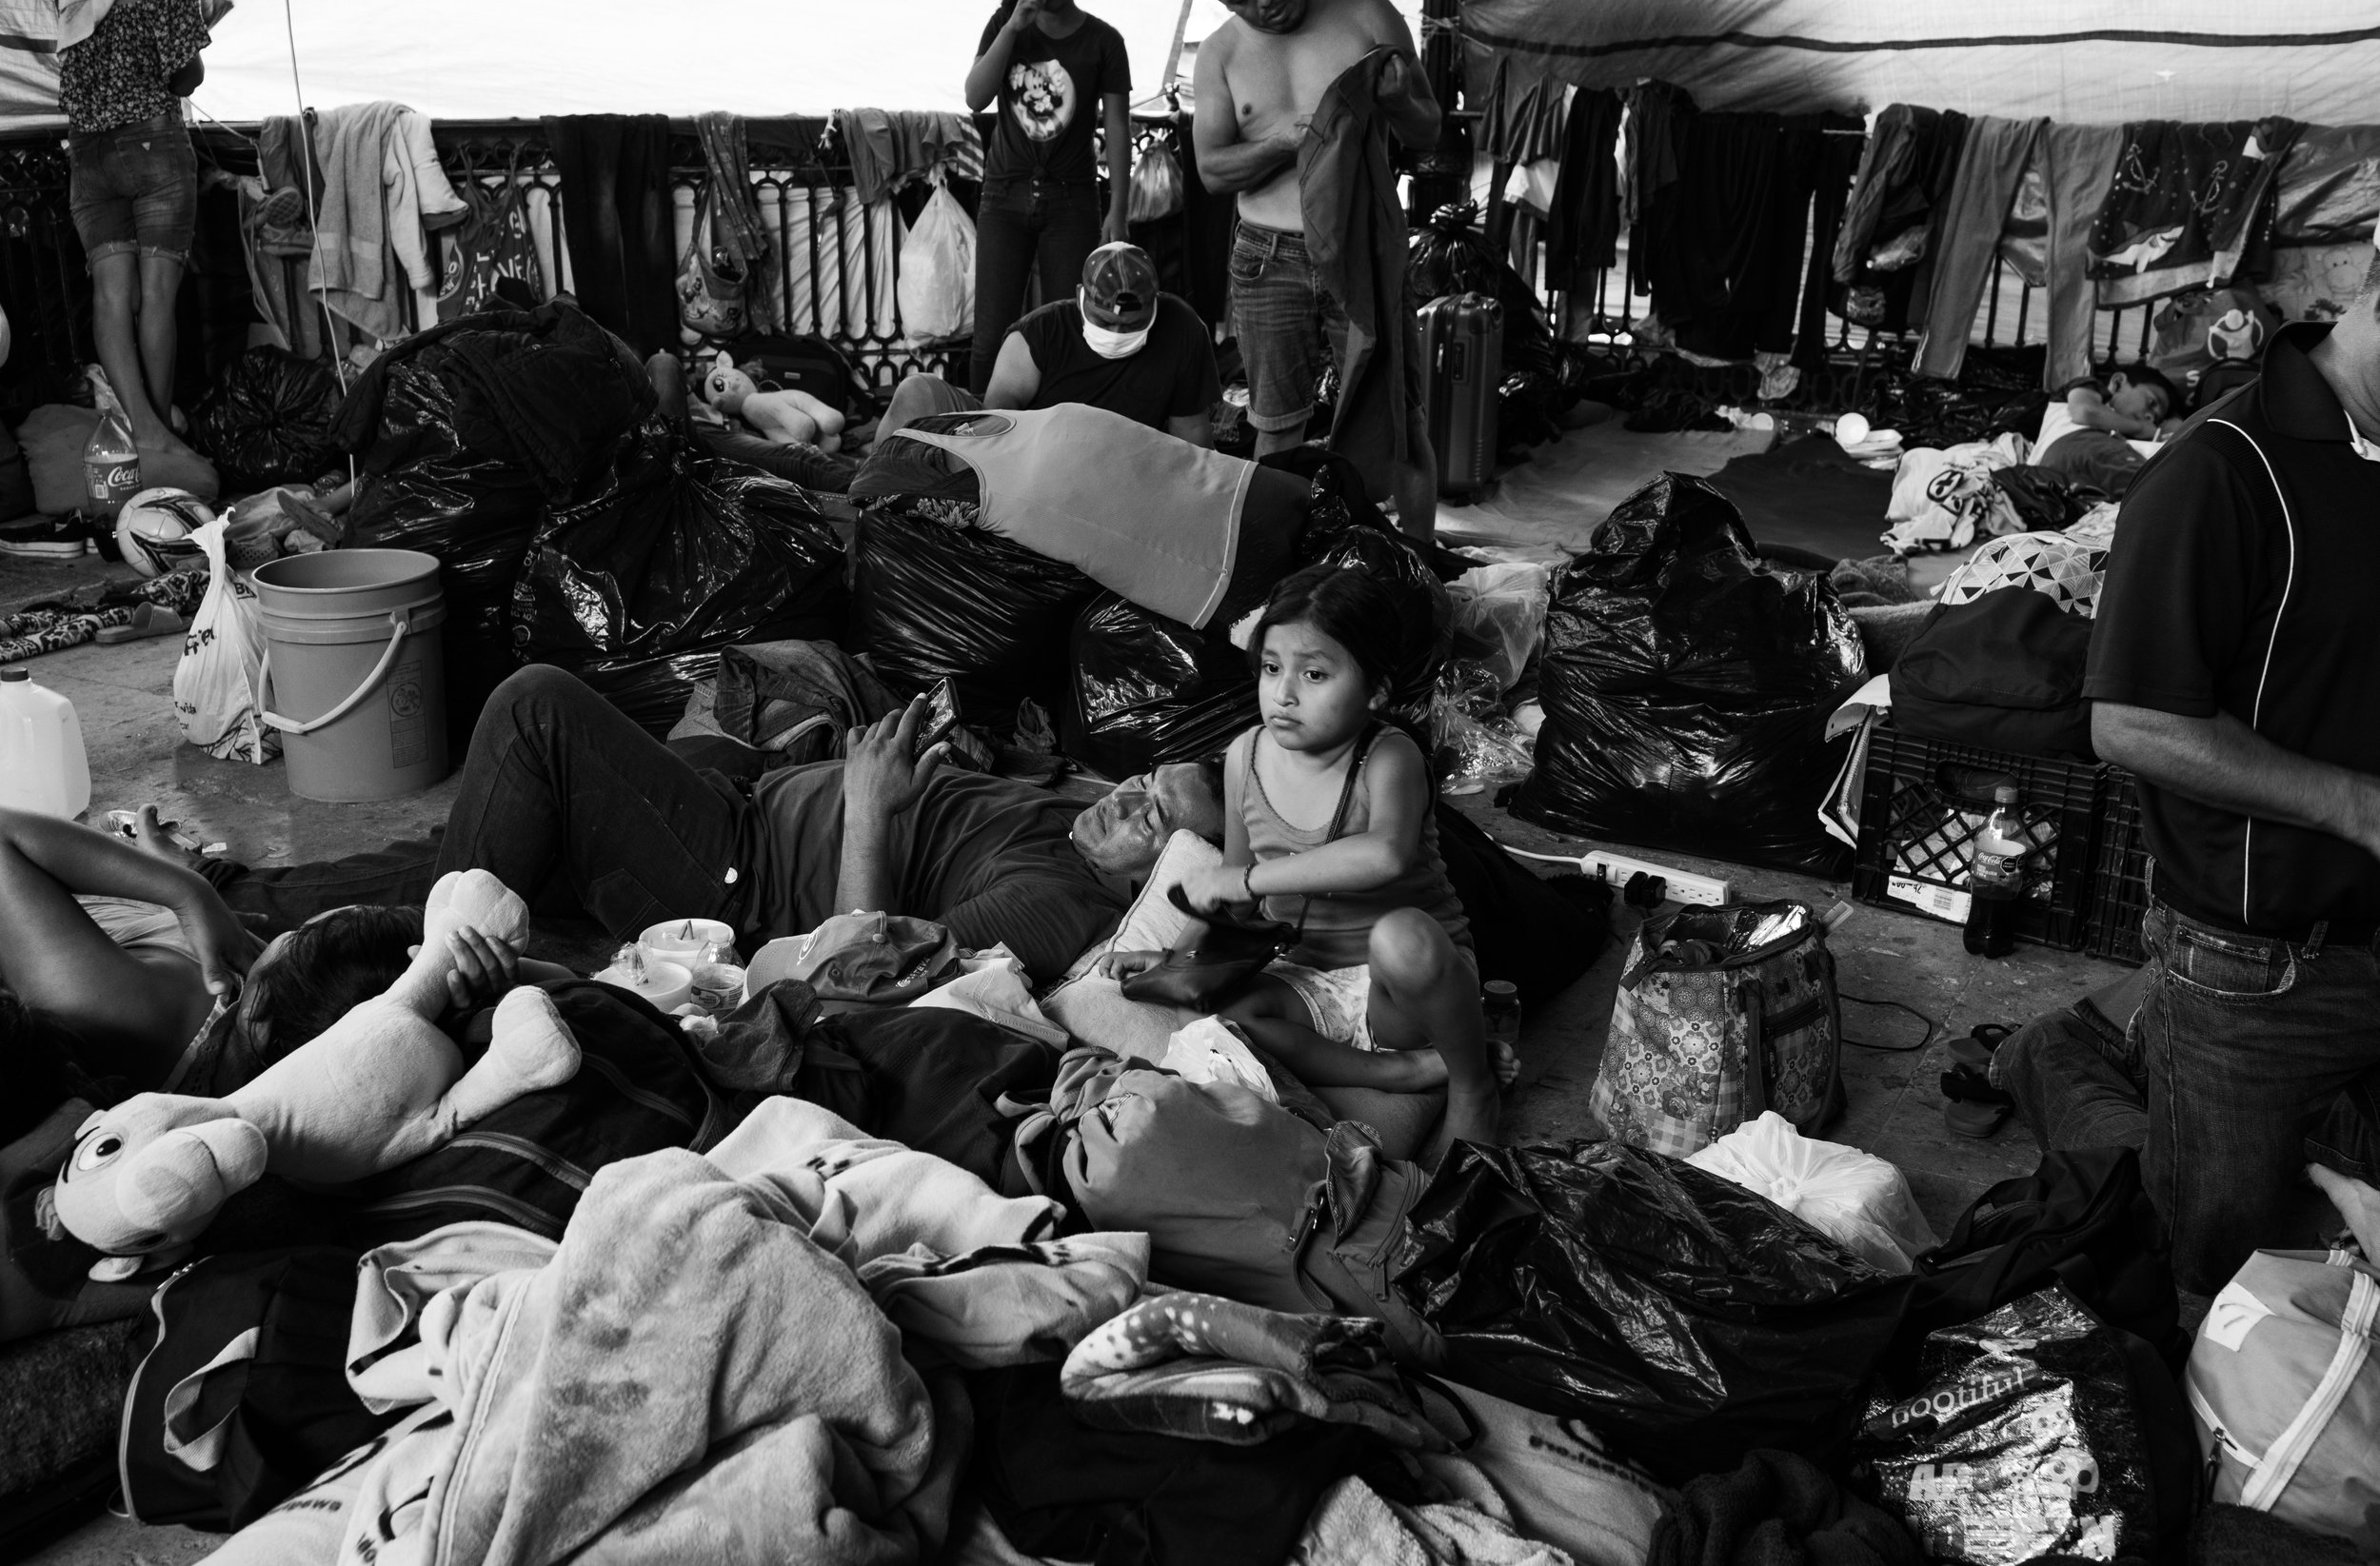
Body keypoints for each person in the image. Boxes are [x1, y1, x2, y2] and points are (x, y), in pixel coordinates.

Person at [2086, 264, 2380, 1293]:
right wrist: (2355, 805)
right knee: (2222, 1276)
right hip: (2255, 969)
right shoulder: (2222, 463)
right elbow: (2129, 721)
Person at [436, 665, 1223, 985]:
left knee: (533, 707)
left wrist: (867, 808)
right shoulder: (1078, 817)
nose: (1121, 797)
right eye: (1141, 779)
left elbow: (866, 978)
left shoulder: (1060, 902)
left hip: (737, 884)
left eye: (1149, 816)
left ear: (1167, 876)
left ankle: (429, 966)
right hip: (747, 810)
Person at [1096, 566, 1500, 1161]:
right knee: (1210, 1020)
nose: (1284, 693)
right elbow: (1230, 897)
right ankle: (1404, 1073)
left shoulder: (1389, 757)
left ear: (1376, 692)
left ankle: (1472, 1086)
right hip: (1306, 980)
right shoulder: (1244, 757)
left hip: (1400, 993)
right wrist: (1177, 960)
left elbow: (1384, 855)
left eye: (1314, 674)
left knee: (1403, 936)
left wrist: (1250, 877)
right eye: (1271, 668)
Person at [0, 803, 517, 1099]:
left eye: (288, 941)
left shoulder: (137, 1012)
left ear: (260, 1015)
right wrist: (471, 989)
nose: (268, 937)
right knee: (462, 837)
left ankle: (209, 877)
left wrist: (189, 893)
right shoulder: (337, 1075)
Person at [1192, 0, 1440, 534]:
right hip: (1266, 256)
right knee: (1277, 425)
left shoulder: (1365, 11)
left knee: (1401, 420)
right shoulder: (1221, 53)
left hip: (1363, 247)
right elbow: (1211, 170)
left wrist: (1399, 99)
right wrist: (1280, 141)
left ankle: (1424, 570)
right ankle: (1271, 572)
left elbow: (1428, 129)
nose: (1263, 2)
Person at [60, 0, 223, 479]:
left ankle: (142, 428)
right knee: (157, 296)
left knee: (111, 297)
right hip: (153, 147)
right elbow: (186, 78)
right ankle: (160, 436)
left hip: (88, 155)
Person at [963, 0, 1132, 394]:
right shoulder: (1005, 23)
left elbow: (1117, 129)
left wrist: (1119, 211)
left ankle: (1059, 437)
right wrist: (1011, 29)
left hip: (1072, 201)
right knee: (990, 337)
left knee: (1071, 329)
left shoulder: (1104, 41)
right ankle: (980, 440)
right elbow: (975, 96)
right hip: (1004, 196)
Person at [878, 242, 1220, 444]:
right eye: (1104, 321)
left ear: (1155, 304)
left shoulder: (1183, 329)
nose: (1116, 334)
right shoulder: (1038, 333)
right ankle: (865, 498)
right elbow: (997, 424)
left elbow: (1192, 440)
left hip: (1122, 466)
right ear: (1079, 297)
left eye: (1130, 325)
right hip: (1029, 452)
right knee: (915, 392)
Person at [2030, 363, 2181, 497]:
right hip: (2079, 445)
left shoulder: (2118, 430)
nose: (2149, 417)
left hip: (2051, 480)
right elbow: (2085, 412)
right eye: (2151, 403)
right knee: (2155, 485)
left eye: (2155, 418)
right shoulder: (2089, 387)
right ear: (2118, 383)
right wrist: (2140, 427)